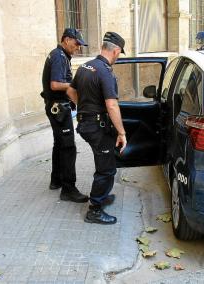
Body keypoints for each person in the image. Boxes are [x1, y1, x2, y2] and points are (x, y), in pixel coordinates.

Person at [67, 32, 127, 224]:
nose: (118, 56)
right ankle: (94, 209)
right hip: (96, 127)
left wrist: (83, 108)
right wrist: (122, 132)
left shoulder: (86, 66)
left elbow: (70, 90)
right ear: (116, 51)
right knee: (107, 169)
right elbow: (111, 105)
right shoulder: (105, 71)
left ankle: (102, 195)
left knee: (103, 162)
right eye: (119, 53)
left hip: (86, 124)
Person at [41, 28, 88, 203]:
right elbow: (55, 84)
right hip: (58, 108)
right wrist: (74, 85)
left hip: (55, 107)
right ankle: (68, 189)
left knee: (59, 143)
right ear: (67, 40)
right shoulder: (59, 56)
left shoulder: (59, 55)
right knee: (68, 147)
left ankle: (56, 180)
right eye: (76, 43)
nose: (78, 48)